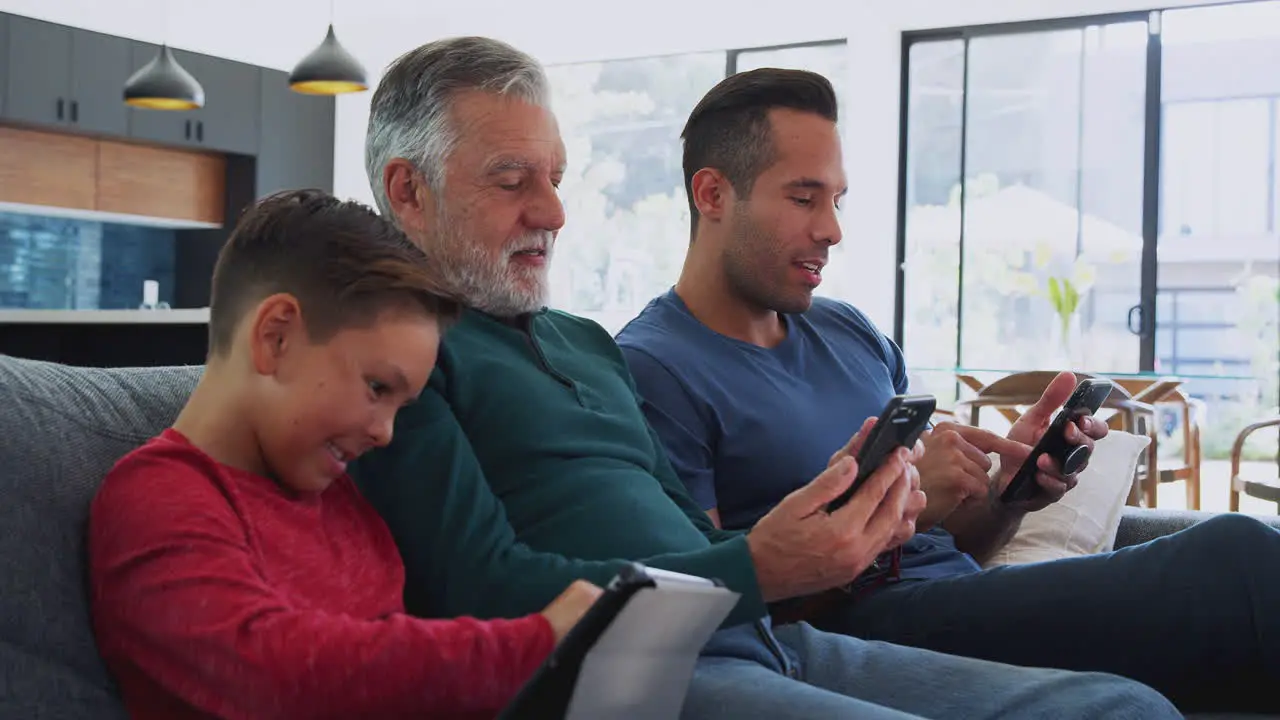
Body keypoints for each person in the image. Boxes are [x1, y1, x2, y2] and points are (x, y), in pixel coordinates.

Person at [350, 36, 1180, 719]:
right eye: (512, 181)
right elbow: (479, 588)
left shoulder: (583, 344)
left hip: (764, 638)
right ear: (408, 192)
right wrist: (761, 566)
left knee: (1121, 708)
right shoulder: (399, 357)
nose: (555, 212)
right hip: (626, 678)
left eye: (556, 178)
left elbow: (699, 544)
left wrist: (830, 529)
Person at [614, 66, 1280, 713]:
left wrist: (1006, 497)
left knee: (1240, 578)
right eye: (802, 197)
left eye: (837, 200)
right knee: (1237, 557)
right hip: (849, 637)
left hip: (955, 603)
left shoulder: (851, 332)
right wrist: (885, 515)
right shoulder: (652, 371)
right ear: (712, 196)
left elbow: (951, 549)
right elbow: (712, 618)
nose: (832, 229)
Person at [87, 189, 603, 720]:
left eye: (402, 406)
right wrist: (535, 644)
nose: (385, 433)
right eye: (378, 387)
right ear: (276, 337)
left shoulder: (343, 504)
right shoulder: (158, 495)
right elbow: (267, 674)